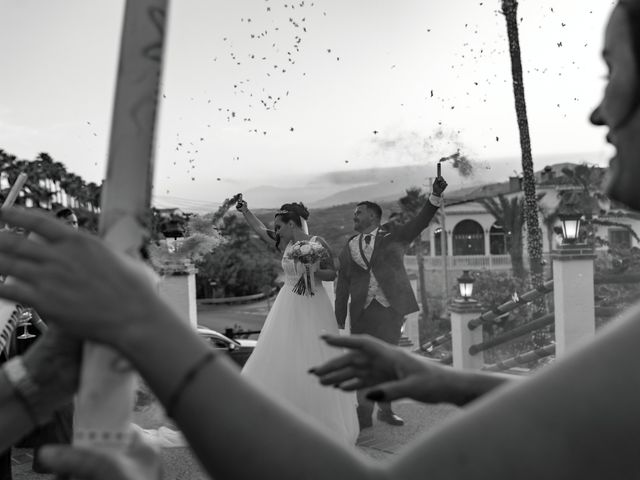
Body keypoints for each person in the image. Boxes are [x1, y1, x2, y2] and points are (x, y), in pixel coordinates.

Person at [0, 2, 639, 477]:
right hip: (333, 313)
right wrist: (445, 381)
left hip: (332, 306)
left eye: (614, 68)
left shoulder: (360, 238)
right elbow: (579, 413)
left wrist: (144, 328)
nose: (596, 111)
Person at [236, 198, 358, 444]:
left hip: (313, 305)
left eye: (279, 227)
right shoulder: (285, 245)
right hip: (288, 303)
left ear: (292, 223)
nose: (276, 232)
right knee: (283, 356)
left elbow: (332, 274)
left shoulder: (317, 243)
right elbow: (260, 230)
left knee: (314, 355)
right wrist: (245, 210)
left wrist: (310, 271)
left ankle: (320, 421)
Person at [335, 175, 447, 429]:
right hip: (361, 314)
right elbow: (343, 284)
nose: (354, 216)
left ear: (373, 217)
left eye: (358, 213)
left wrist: (434, 197)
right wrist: (338, 318)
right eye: (354, 213)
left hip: (389, 311)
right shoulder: (348, 246)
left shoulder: (391, 238)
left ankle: (385, 410)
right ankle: (364, 413)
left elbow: (418, 224)